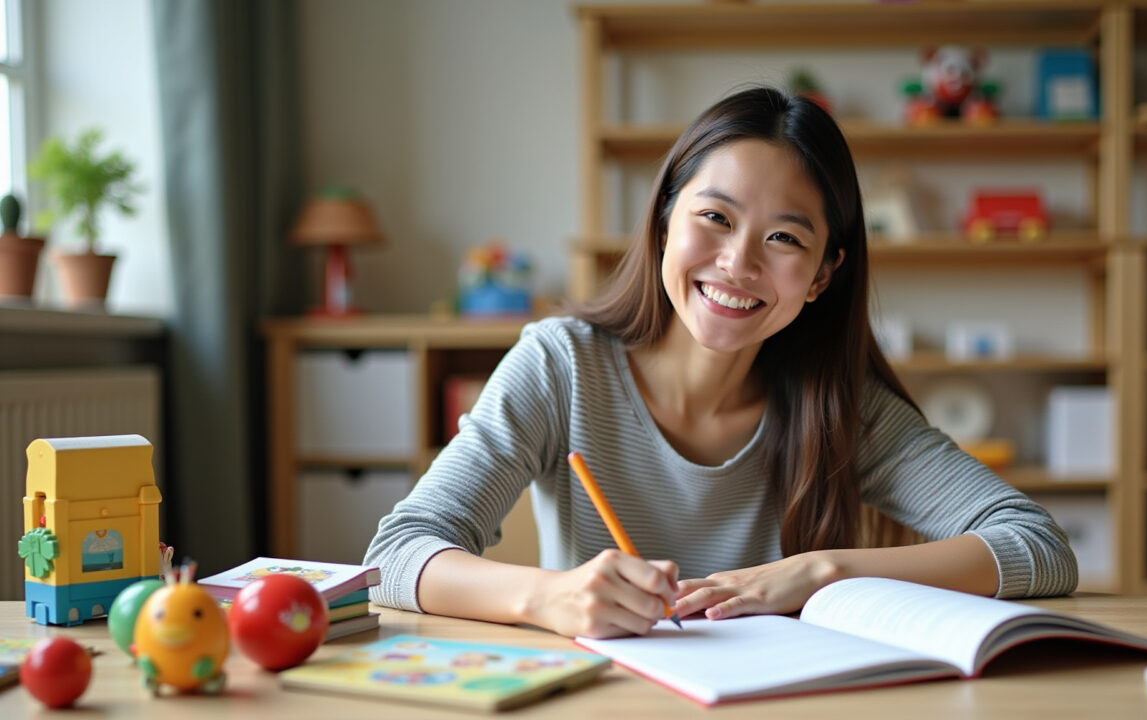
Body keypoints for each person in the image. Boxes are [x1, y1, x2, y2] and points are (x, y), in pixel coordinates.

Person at [365, 86, 1077, 639]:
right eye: (715, 218)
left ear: (824, 275)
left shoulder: (841, 404)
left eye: (786, 239)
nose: (737, 265)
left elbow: (1039, 547)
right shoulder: (560, 366)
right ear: (665, 218)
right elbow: (396, 555)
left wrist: (819, 574)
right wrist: (549, 596)